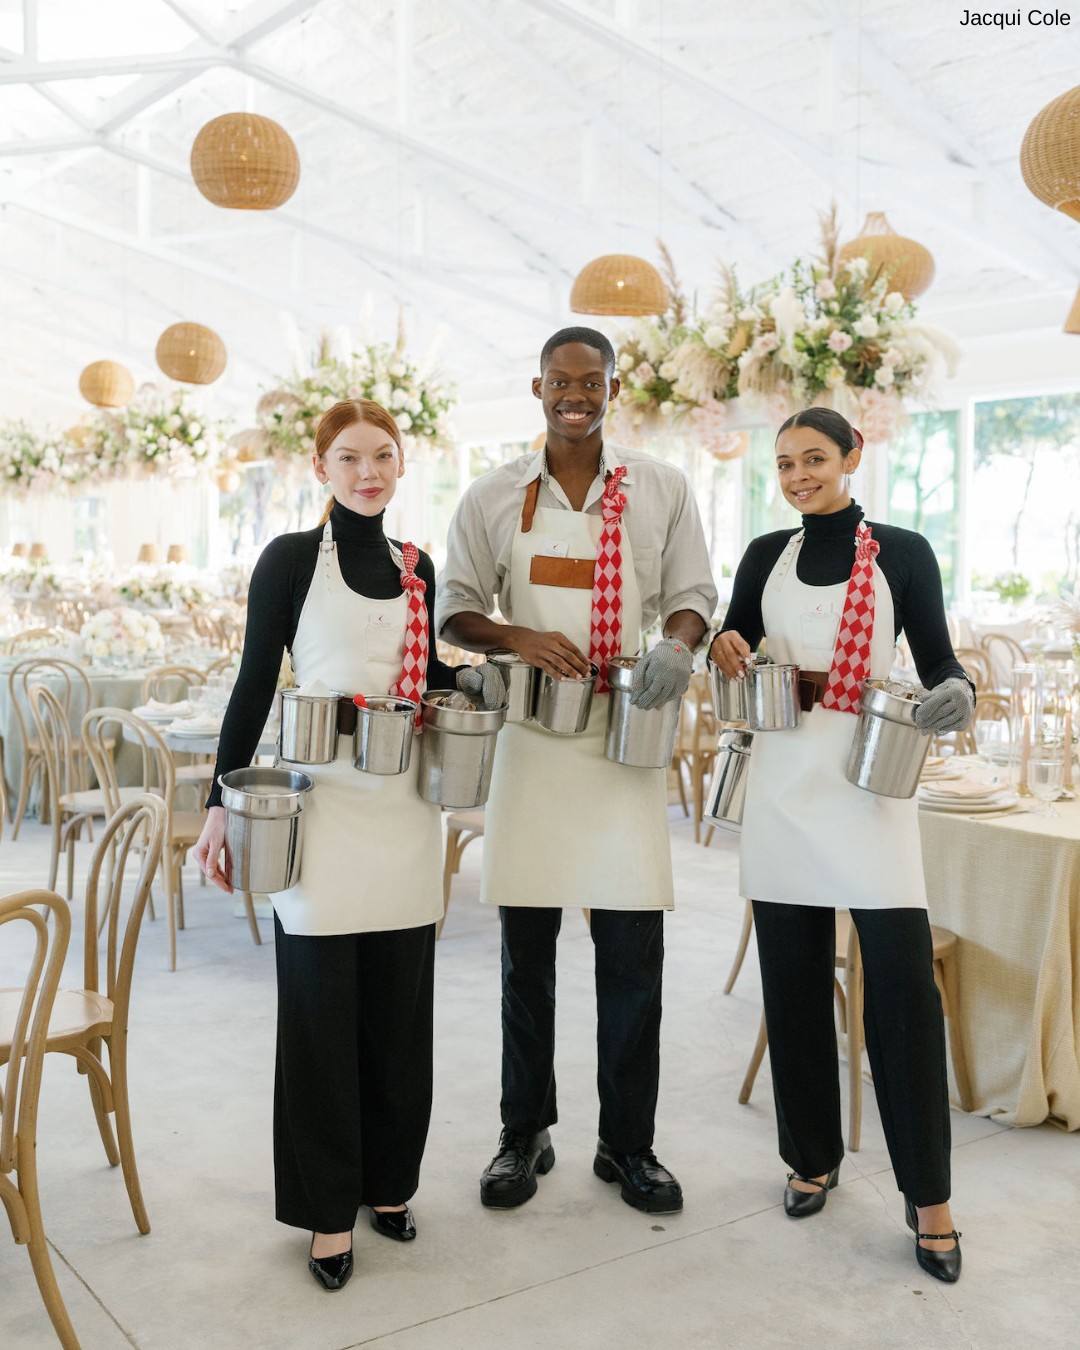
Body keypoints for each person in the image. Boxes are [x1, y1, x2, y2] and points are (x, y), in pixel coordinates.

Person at [193, 398, 501, 1292]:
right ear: (321, 470)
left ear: (402, 466)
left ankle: (389, 1184)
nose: (369, 472)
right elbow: (256, 682)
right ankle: (329, 1209)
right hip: (321, 812)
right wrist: (221, 802)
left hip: (405, 809)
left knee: (399, 1013)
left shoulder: (418, 567)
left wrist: (468, 675)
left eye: (383, 457)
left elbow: (425, 673)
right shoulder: (291, 560)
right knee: (322, 1015)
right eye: (350, 459)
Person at [436, 326, 717, 1215]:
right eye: (560, 382)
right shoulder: (490, 495)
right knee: (527, 958)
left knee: (633, 955)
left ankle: (627, 1144)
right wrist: (516, 634)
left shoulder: (663, 490)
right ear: (537, 387)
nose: (575, 396)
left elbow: (693, 595)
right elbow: (454, 611)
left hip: (622, 740)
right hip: (531, 737)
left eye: (590, 383)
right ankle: (526, 1133)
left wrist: (676, 644)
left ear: (612, 388)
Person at [709, 406, 973, 1283]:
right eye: (784, 465)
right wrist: (725, 643)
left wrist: (961, 690)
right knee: (790, 987)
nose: (797, 477)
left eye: (813, 459)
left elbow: (938, 659)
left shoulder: (902, 551)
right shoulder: (763, 555)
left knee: (902, 995)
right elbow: (733, 637)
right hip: (785, 781)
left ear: (853, 457)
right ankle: (809, 1156)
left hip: (869, 784)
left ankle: (928, 1196)